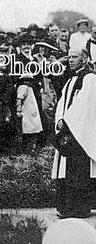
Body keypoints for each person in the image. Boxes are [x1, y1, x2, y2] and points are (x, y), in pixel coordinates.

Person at [52, 48, 96, 218]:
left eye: (75, 57)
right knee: (68, 170)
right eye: (69, 56)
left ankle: (79, 209)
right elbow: (62, 102)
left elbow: (84, 104)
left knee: (78, 171)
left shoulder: (90, 78)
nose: (70, 60)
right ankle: (66, 208)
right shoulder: (71, 79)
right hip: (69, 129)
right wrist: (59, 119)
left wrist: (67, 121)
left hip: (79, 132)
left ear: (85, 59)